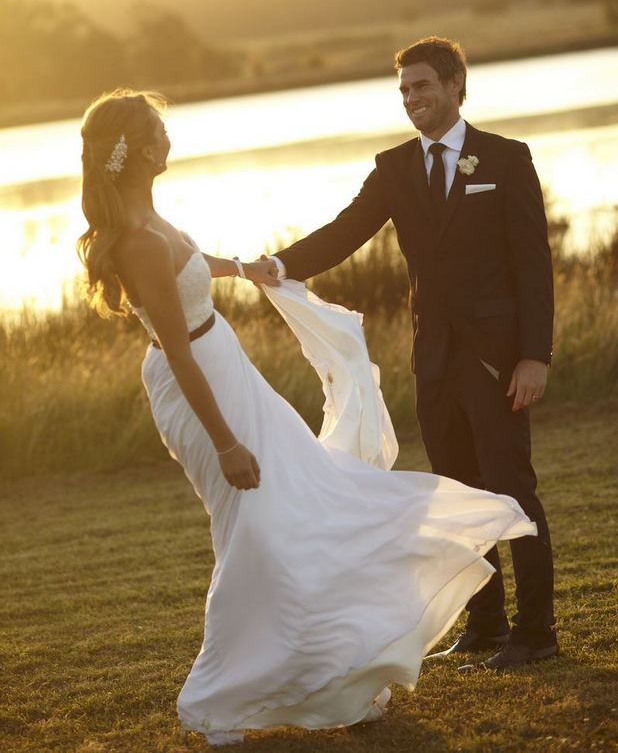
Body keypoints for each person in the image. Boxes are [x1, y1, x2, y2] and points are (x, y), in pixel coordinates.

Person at [77, 87, 537, 747]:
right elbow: (176, 354)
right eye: (162, 130)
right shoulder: (138, 242)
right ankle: (220, 690)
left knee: (301, 508)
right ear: (143, 148)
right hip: (202, 389)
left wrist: (252, 269)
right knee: (256, 529)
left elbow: (192, 263)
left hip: (228, 372)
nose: (170, 140)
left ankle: (328, 675)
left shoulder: (153, 220)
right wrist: (227, 443)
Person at [257, 37, 558, 672]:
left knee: (513, 491)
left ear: (456, 85)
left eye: (421, 86)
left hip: (498, 362)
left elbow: (534, 266)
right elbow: (344, 232)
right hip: (435, 363)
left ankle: (536, 634)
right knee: (456, 496)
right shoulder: (394, 169)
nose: (411, 99)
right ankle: (484, 626)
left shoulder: (506, 159)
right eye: (403, 91)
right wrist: (278, 264)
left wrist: (535, 356)